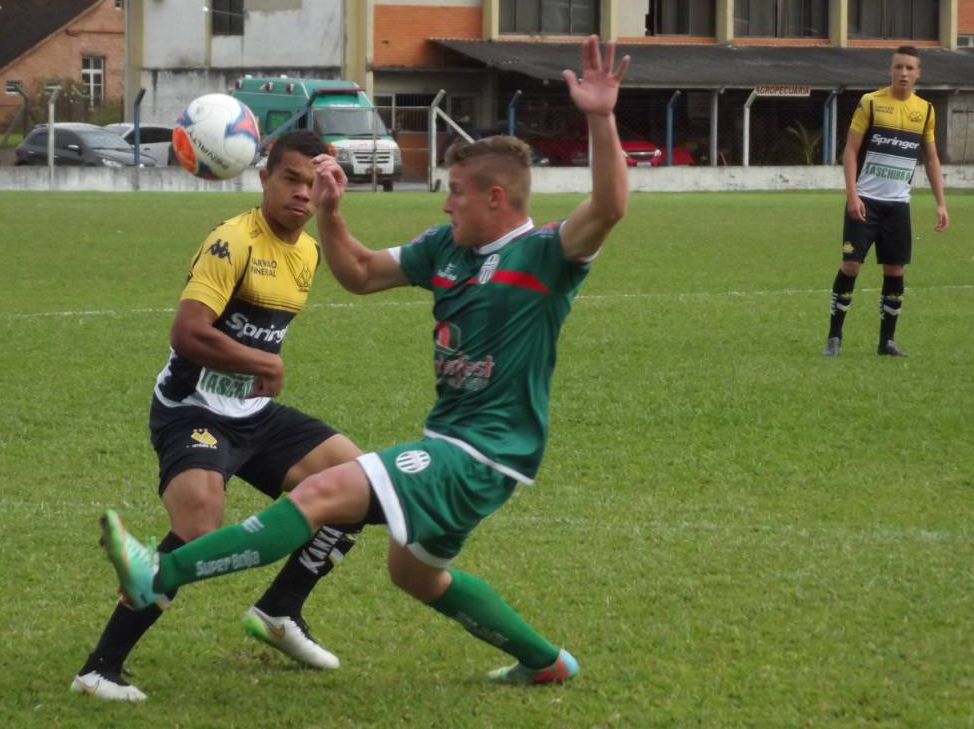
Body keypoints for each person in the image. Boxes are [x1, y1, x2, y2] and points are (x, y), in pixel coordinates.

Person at [98, 35, 630, 685]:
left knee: (326, 490)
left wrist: (600, 118)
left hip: (483, 452)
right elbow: (358, 271)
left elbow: (607, 207)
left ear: (496, 199)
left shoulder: (546, 256)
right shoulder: (448, 248)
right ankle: (546, 661)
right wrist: (330, 211)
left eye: (456, 190)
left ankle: (160, 569)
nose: (444, 201)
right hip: (452, 440)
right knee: (416, 574)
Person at [72, 131, 365, 702]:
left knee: (359, 485)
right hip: (192, 410)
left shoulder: (307, 250)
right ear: (264, 179)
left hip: (253, 412)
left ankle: (280, 612)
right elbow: (186, 332)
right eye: (291, 179)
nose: (302, 193)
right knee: (199, 527)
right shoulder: (234, 242)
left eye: (313, 183)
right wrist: (260, 360)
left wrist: (256, 371)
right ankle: (99, 669)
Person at [823, 46, 949, 358]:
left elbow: (931, 160)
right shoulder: (872, 103)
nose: (903, 73)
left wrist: (941, 203)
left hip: (897, 206)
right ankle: (834, 337)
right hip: (865, 201)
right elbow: (850, 152)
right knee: (851, 265)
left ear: (918, 73)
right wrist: (852, 195)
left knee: (895, 271)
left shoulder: (926, 111)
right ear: (890, 71)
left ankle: (887, 342)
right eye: (898, 67)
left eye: (909, 68)